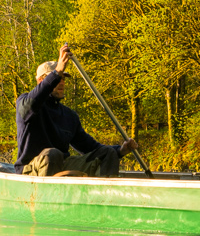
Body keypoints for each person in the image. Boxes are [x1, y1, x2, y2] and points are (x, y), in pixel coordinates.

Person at [15, 44, 139, 177]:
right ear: (41, 81)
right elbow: (30, 105)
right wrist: (57, 72)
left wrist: (120, 150)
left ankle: (104, 195)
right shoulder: (25, 102)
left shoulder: (69, 116)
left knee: (107, 153)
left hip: (61, 165)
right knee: (52, 154)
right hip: (30, 170)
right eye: (58, 78)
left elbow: (90, 147)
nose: (61, 82)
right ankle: (45, 197)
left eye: (63, 78)